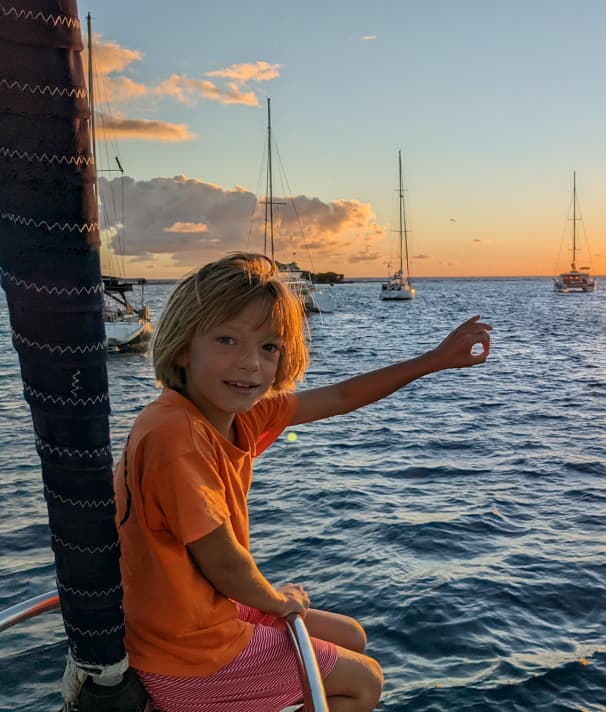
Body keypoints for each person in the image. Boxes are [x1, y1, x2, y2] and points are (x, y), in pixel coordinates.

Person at [113, 252, 492, 712]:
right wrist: (274, 599)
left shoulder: (237, 415)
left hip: (204, 613)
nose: (250, 364)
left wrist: (434, 360)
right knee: (362, 683)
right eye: (227, 339)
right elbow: (223, 562)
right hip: (184, 654)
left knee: (352, 635)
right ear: (182, 347)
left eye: (269, 347)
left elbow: (340, 395)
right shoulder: (175, 435)